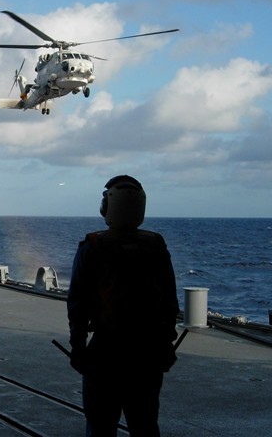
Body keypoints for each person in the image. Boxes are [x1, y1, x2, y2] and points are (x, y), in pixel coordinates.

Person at [67, 175, 179, 437]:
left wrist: (78, 347)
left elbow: (78, 305)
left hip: (105, 352)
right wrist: (165, 345)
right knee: (145, 425)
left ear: (107, 207)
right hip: (147, 355)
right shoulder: (156, 245)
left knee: (100, 426)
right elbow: (169, 302)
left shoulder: (92, 247)